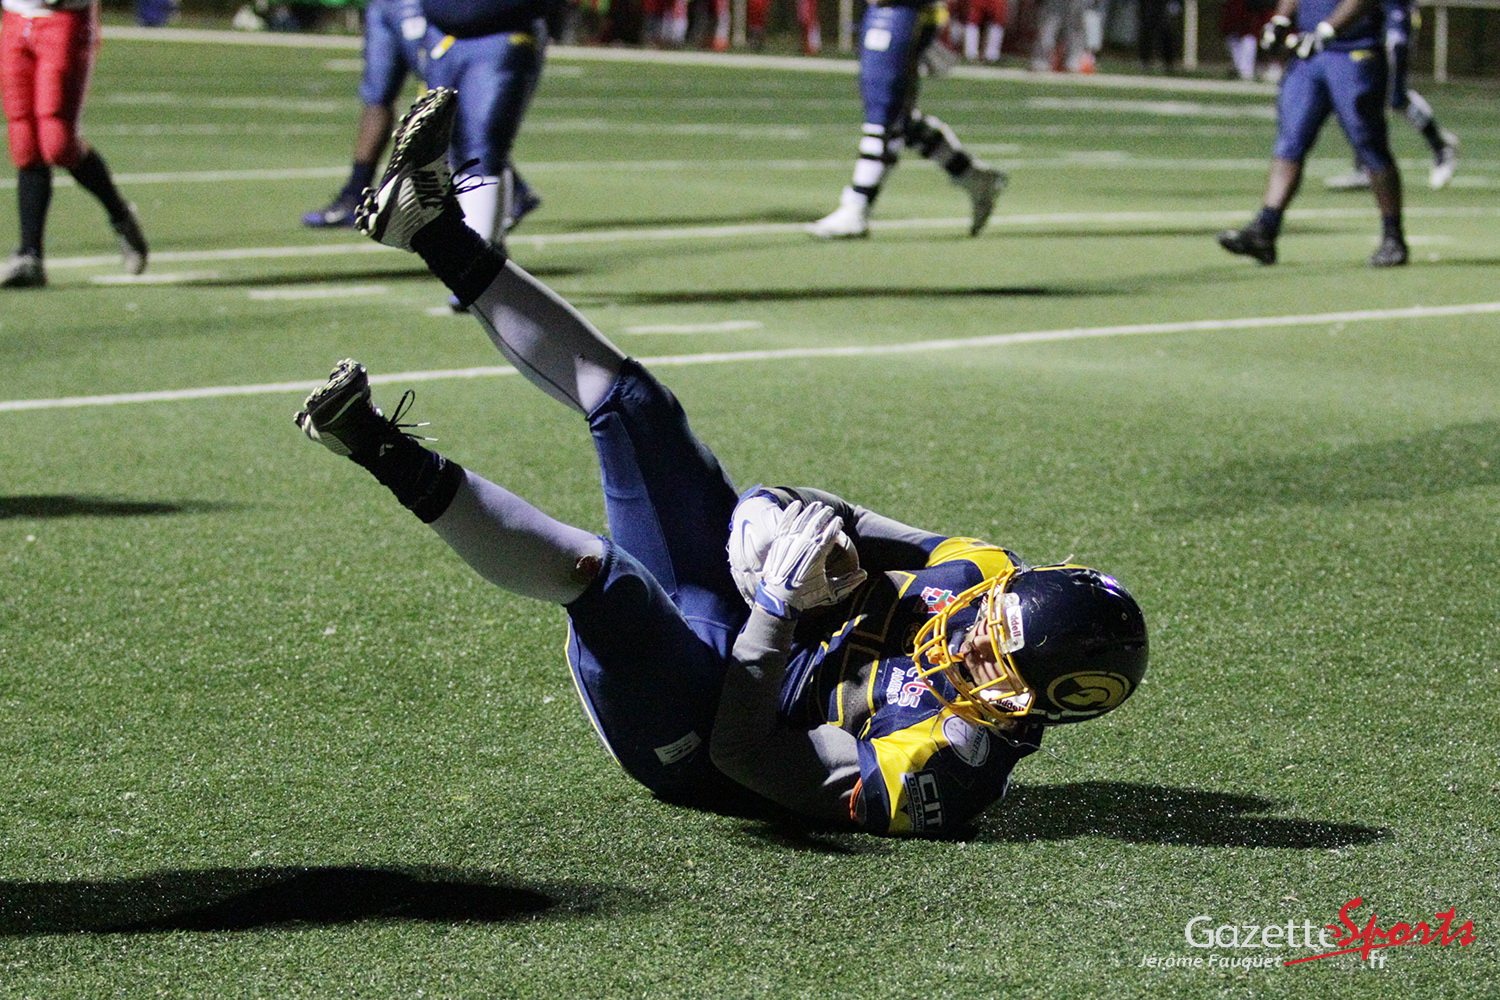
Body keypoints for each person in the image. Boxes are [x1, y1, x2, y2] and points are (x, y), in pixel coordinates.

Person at [295, 89, 1149, 836]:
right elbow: (836, 514)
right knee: (636, 404)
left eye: (993, 658)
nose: (969, 637)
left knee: (603, 578)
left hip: (698, 726)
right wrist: (785, 523)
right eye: (989, 619)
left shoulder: (942, 774)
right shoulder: (980, 573)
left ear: (1032, 706)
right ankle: (431, 228)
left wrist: (776, 608)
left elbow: (745, 754)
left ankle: (373, 445)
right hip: (736, 613)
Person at [1218, 0, 1407, 268]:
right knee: (1290, 141)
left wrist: (1327, 29)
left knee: (1369, 143)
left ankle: (1393, 237)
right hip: (1310, 55)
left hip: (1353, 49)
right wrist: (1280, 20)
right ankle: (1265, 229)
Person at [809, 0, 1006, 239]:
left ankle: (857, 207)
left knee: (883, 110)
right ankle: (974, 178)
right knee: (898, 117)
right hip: (890, 10)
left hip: (906, 9)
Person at [1, 0, 148, 288]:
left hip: (64, 17)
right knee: (24, 140)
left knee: (57, 142)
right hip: (16, 17)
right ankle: (30, 254)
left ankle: (120, 216)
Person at [419, 0, 548, 244]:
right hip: (441, 33)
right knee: (447, 142)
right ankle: (486, 249)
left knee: (482, 146)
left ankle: (478, 249)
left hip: (502, 32)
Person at [302, 0, 438, 228]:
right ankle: (355, 195)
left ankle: (488, 185)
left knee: (441, 88)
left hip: (418, 5)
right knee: (376, 96)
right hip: (382, 5)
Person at [1324, 0, 1458, 192]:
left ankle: (1440, 145)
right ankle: (1366, 166)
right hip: (1366, 17)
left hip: (1394, 14)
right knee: (1359, 92)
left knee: (1395, 96)